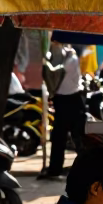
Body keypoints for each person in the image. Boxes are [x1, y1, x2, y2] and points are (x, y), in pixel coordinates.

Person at [40, 42, 84, 180]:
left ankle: (83, 167)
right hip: (64, 100)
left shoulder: (71, 60)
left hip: (71, 100)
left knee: (77, 138)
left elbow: (55, 71)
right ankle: (55, 168)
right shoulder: (65, 59)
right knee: (60, 137)